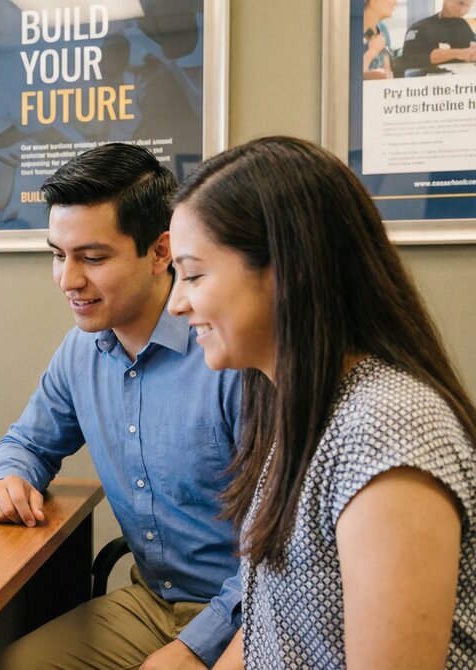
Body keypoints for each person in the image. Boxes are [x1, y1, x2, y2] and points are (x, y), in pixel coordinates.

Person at [166, 136, 476, 668]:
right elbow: (275, 630)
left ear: (290, 270)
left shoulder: (389, 429)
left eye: (194, 274)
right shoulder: (297, 406)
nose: (176, 302)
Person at [0, 143, 243, 669]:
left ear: (161, 252)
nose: (68, 280)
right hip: (151, 600)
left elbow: (287, 549)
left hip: (246, 611)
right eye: (58, 254)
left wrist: (196, 648)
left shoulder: (230, 352)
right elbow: (27, 442)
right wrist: (7, 478)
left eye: (93, 258)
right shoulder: (82, 349)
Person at [399, 0, 476, 73]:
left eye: (468, 6)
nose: (463, 10)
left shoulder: (463, 26)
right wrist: (457, 53)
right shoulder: (420, 28)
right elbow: (411, 59)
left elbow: (470, 51)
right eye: (461, 3)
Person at [363, 0, 397, 79]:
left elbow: (387, 73)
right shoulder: (350, 31)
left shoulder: (383, 29)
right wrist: (372, 52)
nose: (395, 3)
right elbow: (348, 76)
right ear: (373, 2)